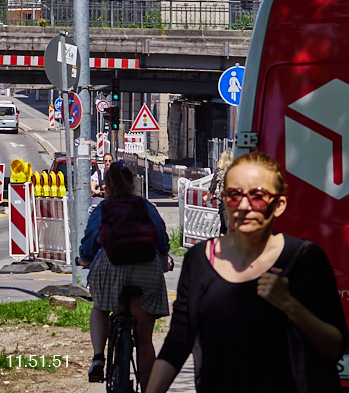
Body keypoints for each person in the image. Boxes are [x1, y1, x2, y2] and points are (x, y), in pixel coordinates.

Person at [146, 151, 348, 393]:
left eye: (258, 196)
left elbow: (335, 346)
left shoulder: (305, 259)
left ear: (279, 204)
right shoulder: (199, 261)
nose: (244, 205)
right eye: (234, 195)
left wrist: (289, 305)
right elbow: (178, 342)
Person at [80, 161, 170, 388]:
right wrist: (164, 259)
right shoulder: (146, 206)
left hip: (110, 266)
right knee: (144, 340)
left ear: (106, 186)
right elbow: (162, 239)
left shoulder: (101, 209)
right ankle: (150, 389)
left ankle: (99, 356)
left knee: (100, 307)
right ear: (132, 185)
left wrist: (85, 259)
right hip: (147, 268)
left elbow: (90, 244)